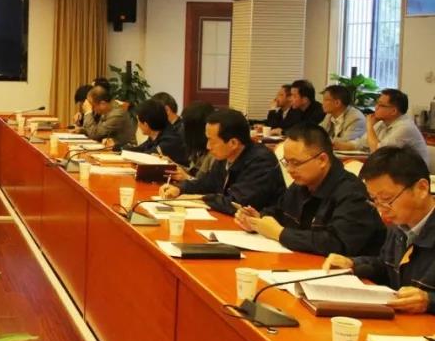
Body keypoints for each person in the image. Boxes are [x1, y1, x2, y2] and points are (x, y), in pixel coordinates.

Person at [235, 124, 384, 256]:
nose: (289, 169)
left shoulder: (352, 193)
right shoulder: (302, 183)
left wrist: (280, 233)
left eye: (295, 163)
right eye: (286, 162)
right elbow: (280, 212)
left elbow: (337, 244)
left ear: (322, 160)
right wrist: (258, 220)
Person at [324, 147, 435, 314]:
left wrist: (429, 301)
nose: (381, 210)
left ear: (421, 188)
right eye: (375, 200)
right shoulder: (399, 226)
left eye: (387, 199)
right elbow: (386, 267)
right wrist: (353, 264)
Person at [159, 108, 285, 214]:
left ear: (233, 143)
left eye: (212, 141)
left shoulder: (261, 162)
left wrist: (200, 198)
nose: (208, 146)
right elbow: (206, 183)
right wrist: (179, 188)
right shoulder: (225, 157)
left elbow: (236, 203)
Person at [339, 89, 431, 168]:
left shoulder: (405, 127)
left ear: (393, 111)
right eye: (377, 104)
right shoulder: (382, 123)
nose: (376, 108)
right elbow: (361, 143)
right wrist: (336, 145)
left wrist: (369, 126)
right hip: (393, 168)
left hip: (413, 173)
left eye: (381, 105)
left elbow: (379, 152)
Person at [129, 99, 187, 165]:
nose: (138, 125)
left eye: (138, 121)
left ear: (146, 125)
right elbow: (140, 149)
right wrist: (122, 150)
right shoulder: (156, 135)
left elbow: (146, 157)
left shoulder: (169, 140)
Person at [178, 101, 214, 179]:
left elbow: (206, 184)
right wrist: (171, 164)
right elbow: (192, 172)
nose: (181, 128)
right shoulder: (198, 149)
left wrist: (187, 178)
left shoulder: (213, 154)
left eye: (184, 125)